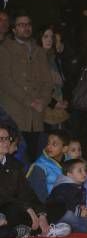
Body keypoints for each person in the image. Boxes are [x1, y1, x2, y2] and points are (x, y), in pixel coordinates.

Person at [0, 12, 53, 162]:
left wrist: (43, 101)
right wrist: (28, 100)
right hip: (13, 112)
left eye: (28, 24)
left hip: (36, 115)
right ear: (14, 29)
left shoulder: (39, 51)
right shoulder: (5, 49)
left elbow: (48, 82)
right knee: (15, 157)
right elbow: (5, 81)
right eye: (21, 25)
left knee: (34, 155)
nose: (26, 28)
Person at [0, 124, 49, 238]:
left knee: (55, 207)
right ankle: (16, 232)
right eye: (1, 139)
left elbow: (27, 191)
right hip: (7, 208)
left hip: (14, 208)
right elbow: (3, 195)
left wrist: (41, 214)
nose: (5, 142)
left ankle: (20, 230)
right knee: (13, 210)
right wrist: (27, 208)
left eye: (7, 138)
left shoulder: (14, 164)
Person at [26, 129, 70, 203]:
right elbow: (40, 198)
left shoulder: (71, 162)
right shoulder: (39, 167)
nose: (49, 147)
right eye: (48, 143)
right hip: (50, 207)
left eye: (54, 144)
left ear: (65, 148)